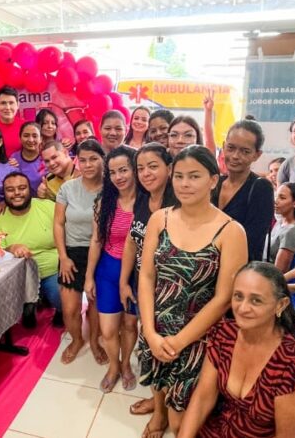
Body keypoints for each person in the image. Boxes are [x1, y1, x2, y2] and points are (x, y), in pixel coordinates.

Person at [137, 145, 247, 437]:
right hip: (156, 320)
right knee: (157, 380)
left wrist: (180, 341)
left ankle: (167, 418)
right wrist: (149, 330)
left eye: (195, 176)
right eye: (179, 176)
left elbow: (225, 298)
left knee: (182, 421)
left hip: (200, 334)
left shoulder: (231, 231)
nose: (184, 184)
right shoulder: (159, 219)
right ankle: (157, 413)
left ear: (213, 180)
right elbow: (147, 276)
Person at [180, 262, 295, 438]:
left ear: (281, 305)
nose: (242, 308)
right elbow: (202, 398)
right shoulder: (224, 334)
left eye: (256, 300)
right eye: (238, 296)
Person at [119, 142, 176, 417]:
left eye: (153, 166)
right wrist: (123, 280)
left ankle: (162, 408)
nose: (146, 173)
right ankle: (158, 400)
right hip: (143, 283)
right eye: (140, 168)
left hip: (170, 290)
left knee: (164, 345)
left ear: (170, 168)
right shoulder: (143, 199)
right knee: (147, 341)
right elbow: (132, 241)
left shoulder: (177, 204)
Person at [84, 146, 138, 394]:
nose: (119, 177)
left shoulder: (149, 202)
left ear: (134, 169)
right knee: (107, 330)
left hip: (137, 274)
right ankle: (113, 366)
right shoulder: (104, 202)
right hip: (107, 269)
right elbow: (96, 240)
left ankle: (125, 364)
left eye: (124, 170)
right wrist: (88, 276)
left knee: (129, 326)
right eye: (113, 172)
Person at [55, 139, 108, 364]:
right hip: (72, 253)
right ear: (76, 161)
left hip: (101, 253)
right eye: (83, 159)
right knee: (69, 308)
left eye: (93, 159)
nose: (88, 165)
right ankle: (77, 339)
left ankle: (95, 341)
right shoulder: (68, 188)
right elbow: (58, 224)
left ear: (103, 160)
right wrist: (63, 257)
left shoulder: (110, 189)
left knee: (96, 304)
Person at [0, 172, 62, 327]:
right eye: (10, 189)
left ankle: (56, 307)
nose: (16, 193)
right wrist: (10, 248)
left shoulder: (48, 207)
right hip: (19, 277)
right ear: (4, 194)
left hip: (52, 271)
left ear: (30, 189)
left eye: (22, 188)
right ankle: (30, 303)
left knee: (61, 297)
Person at [216, 118, 274, 261]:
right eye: (231, 148)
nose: (235, 156)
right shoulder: (213, 183)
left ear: (257, 155)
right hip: (205, 271)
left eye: (245, 151)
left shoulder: (261, 188)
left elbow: (252, 241)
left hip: (241, 271)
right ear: (223, 147)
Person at [269, 182, 295, 272]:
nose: (276, 201)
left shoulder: (293, 231)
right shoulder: (280, 222)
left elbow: (279, 272)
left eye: (282, 198)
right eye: (276, 196)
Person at [0, 85, 23, 156]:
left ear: (18, 105)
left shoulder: (26, 127)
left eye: (11, 103)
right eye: (3, 103)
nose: (8, 107)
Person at [9, 122, 45, 196]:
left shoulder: (46, 158)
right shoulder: (14, 158)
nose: (31, 140)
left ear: (41, 139)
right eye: (26, 136)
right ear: (20, 138)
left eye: (35, 136)